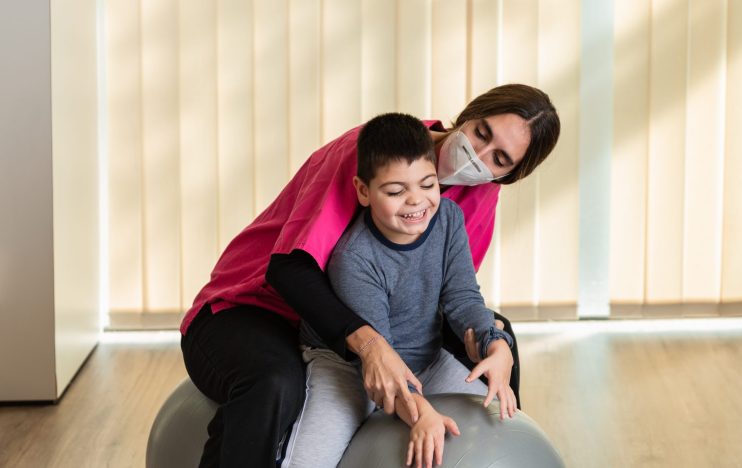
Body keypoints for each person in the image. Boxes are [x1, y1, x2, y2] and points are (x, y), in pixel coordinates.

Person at [179, 83, 560, 467]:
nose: (477, 155)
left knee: (500, 336)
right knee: (275, 383)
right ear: (469, 114)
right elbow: (291, 270)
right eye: (481, 132)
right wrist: (404, 390)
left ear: (509, 175)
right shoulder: (372, 154)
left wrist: (494, 344)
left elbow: (453, 294)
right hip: (258, 307)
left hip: (367, 316)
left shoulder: (479, 195)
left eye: (499, 159)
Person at [280, 113, 517, 468]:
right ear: (364, 191)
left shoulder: (449, 219)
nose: (416, 202)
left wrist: (494, 343)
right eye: (395, 191)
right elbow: (379, 360)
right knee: (307, 462)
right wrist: (420, 412)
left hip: (426, 360)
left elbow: (462, 298)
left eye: (427, 184)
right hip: (350, 367)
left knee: (503, 429)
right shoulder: (354, 258)